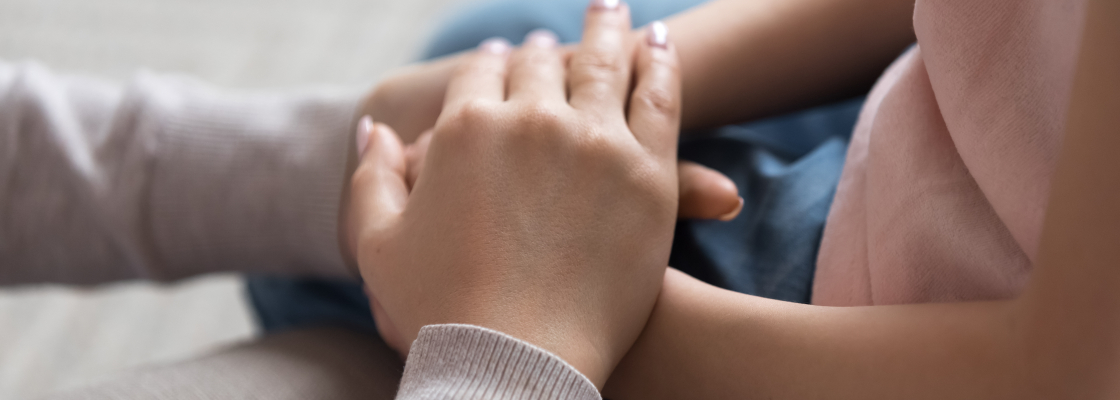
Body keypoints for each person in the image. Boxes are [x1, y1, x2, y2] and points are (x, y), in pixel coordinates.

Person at [343, 0, 1120, 399]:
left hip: (923, 326)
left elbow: (1064, 382)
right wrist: (629, 77)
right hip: (980, 132)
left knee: (352, 264)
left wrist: (521, 309)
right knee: (507, 38)